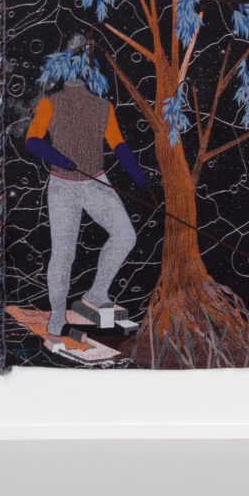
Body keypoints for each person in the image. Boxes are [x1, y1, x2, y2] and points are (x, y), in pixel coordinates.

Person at [25, 79, 146, 337]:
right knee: (63, 253)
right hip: (63, 185)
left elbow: (118, 144)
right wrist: (62, 160)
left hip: (96, 182)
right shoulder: (49, 104)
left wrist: (139, 177)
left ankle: (97, 293)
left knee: (125, 236)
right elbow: (32, 140)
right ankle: (58, 313)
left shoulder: (103, 106)